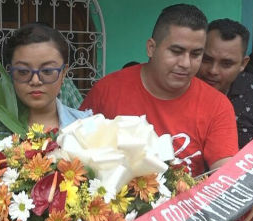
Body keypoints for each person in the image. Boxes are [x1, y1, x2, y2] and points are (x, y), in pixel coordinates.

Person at [80, 4, 238, 177]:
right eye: (176, 51)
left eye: (196, 54)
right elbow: (76, 153)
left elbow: (225, 176)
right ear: (151, 48)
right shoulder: (108, 90)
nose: (186, 63)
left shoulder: (217, 105)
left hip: (187, 203)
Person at [196, 18, 253, 221]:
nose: (213, 70)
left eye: (226, 63)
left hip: (246, 205)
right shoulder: (183, 87)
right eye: (207, 59)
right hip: (185, 205)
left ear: (243, 64)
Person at [3, 23, 92, 130]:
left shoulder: (87, 127)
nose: (35, 81)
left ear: (63, 73)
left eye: (47, 71)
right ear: (11, 72)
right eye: (23, 71)